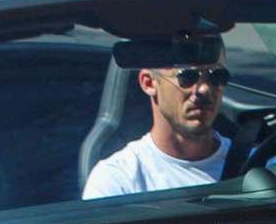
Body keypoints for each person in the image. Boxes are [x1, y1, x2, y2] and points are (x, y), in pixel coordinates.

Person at [83, 54, 233, 197]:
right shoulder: (119, 180)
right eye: (187, 77)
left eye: (217, 76)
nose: (204, 89)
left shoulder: (251, 166)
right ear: (149, 82)